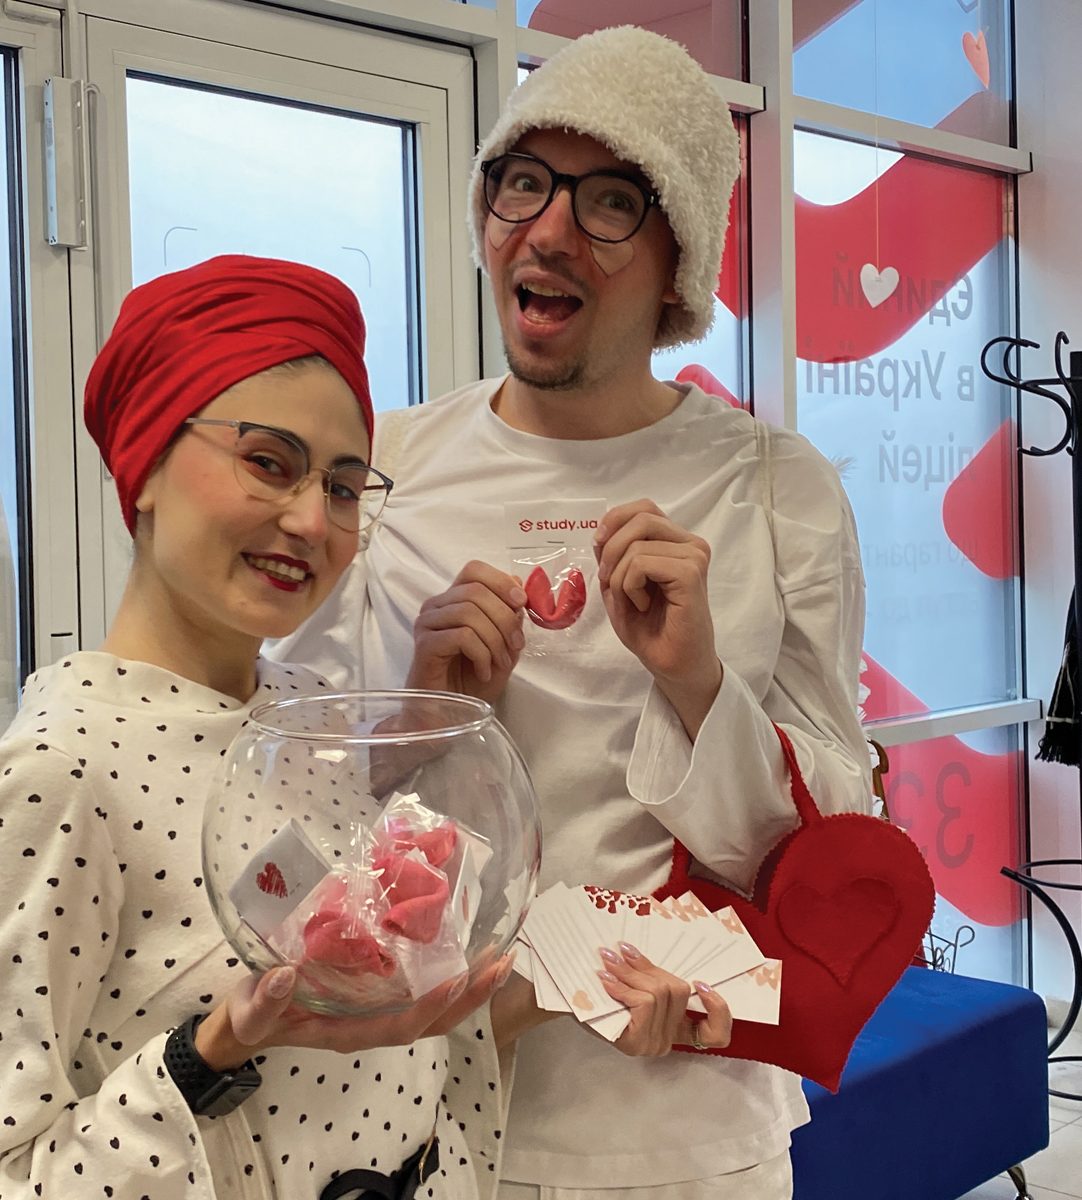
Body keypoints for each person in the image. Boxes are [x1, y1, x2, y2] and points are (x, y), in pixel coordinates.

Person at [278, 26, 873, 1200]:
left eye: (609, 202)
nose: (547, 229)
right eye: (523, 182)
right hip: (424, 1115)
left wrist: (699, 686)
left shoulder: (773, 488)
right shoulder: (388, 469)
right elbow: (286, 802)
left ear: (679, 262)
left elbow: (835, 828)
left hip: (690, 1130)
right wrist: (423, 712)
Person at [0, 256, 509, 1200]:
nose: (311, 519)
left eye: (344, 486)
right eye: (268, 462)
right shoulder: (57, 773)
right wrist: (205, 1055)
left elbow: (380, 1039)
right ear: (146, 462)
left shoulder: (304, 716)